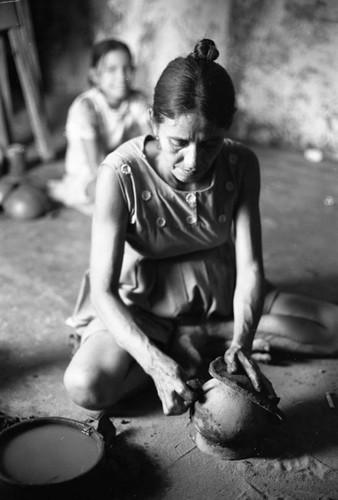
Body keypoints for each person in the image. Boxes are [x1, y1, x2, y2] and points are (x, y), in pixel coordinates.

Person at [63, 39, 338, 416]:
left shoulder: (241, 164)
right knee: (86, 386)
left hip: (223, 288)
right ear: (153, 122)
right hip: (145, 303)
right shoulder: (120, 173)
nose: (194, 161)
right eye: (178, 142)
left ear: (227, 129)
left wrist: (241, 339)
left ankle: (210, 336)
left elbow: (252, 268)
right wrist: (155, 363)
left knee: (335, 327)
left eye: (210, 143)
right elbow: (103, 292)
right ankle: (175, 347)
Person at [48, 38, 151, 213]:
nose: (121, 77)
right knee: (114, 196)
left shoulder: (136, 99)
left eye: (127, 68)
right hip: (89, 173)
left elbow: (152, 140)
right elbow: (96, 164)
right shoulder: (86, 108)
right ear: (95, 75)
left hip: (116, 162)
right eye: (111, 70)